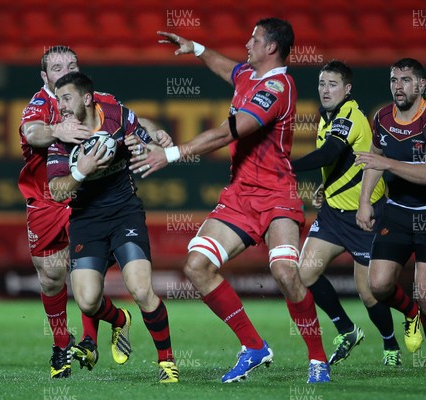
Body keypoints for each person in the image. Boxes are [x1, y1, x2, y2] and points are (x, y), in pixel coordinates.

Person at [130, 18, 330, 384]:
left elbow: (229, 131)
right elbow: (231, 69)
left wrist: (171, 153)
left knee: (285, 273)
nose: (246, 42)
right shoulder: (249, 76)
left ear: (272, 48)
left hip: (276, 195)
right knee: (196, 266)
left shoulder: (278, 87)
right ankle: (254, 347)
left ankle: (318, 360)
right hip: (240, 195)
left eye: (253, 38)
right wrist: (199, 50)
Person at [18, 45, 171, 378]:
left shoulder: (93, 97)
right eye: (57, 67)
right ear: (45, 77)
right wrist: (57, 130)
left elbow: (130, 117)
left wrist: (154, 132)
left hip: (87, 199)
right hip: (47, 198)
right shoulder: (41, 107)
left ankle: (88, 341)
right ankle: (66, 341)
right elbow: (32, 132)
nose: (66, 70)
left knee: (87, 270)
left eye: (72, 64)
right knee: (51, 277)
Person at [291, 60, 401, 366]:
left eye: (332, 84)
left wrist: (285, 166)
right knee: (306, 272)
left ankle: (391, 346)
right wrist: (325, 189)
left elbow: (329, 153)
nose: (325, 90)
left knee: (369, 294)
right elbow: (337, 165)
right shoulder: (327, 117)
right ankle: (346, 329)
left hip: (364, 216)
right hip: (332, 214)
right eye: (321, 84)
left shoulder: (349, 115)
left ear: (347, 89)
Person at [355, 58, 426, 371]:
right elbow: (376, 158)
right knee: (379, 285)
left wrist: (388, 166)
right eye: (394, 80)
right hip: (396, 211)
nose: (399, 86)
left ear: (421, 85)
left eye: (406, 80)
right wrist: (364, 202)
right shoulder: (382, 117)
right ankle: (410, 313)